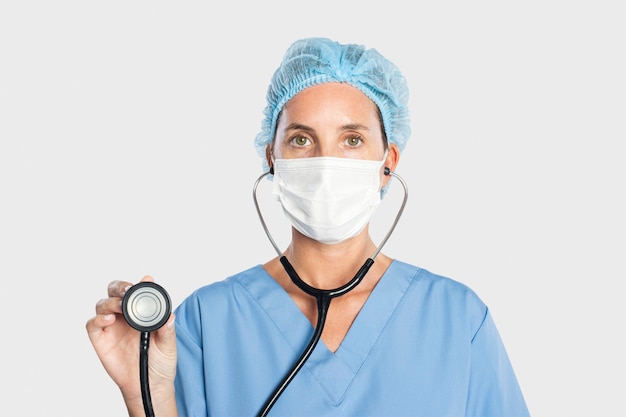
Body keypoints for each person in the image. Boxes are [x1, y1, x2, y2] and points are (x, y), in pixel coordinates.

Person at [86, 37, 530, 417]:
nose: (326, 162)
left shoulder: (456, 317)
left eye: (352, 139)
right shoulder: (208, 320)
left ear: (387, 164)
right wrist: (145, 396)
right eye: (301, 139)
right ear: (272, 160)